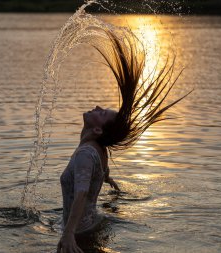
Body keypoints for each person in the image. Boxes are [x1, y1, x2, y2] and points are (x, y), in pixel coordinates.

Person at [56, 29, 190, 253]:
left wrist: (68, 234)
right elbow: (100, 172)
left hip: (79, 235)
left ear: (98, 129)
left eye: (103, 112)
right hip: (92, 226)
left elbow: (80, 193)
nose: (98, 107)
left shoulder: (85, 154)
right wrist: (109, 181)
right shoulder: (98, 150)